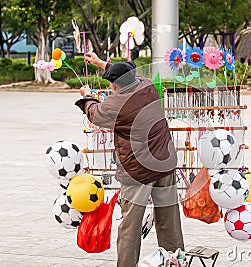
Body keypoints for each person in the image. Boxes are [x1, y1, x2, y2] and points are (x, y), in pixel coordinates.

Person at [75, 52, 184, 267]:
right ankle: (175, 260)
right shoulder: (146, 85)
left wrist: (86, 96)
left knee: (130, 227)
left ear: (115, 85)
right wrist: (102, 64)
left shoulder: (117, 103)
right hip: (164, 164)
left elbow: (95, 114)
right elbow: (125, 74)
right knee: (169, 221)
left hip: (138, 171)